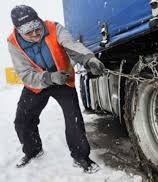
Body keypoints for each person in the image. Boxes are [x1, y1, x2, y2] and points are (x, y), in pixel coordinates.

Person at [7, 5, 105, 173]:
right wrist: (49, 78)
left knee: (73, 119)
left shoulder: (55, 28)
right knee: (23, 120)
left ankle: (81, 156)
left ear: (39, 20)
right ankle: (33, 151)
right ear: (18, 30)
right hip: (37, 83)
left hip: (63, 79)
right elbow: (25, 73)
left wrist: (89, 59)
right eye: (27, 31)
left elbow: (73, 47)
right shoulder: (13, 42)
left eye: (36, 27)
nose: (35, 34)